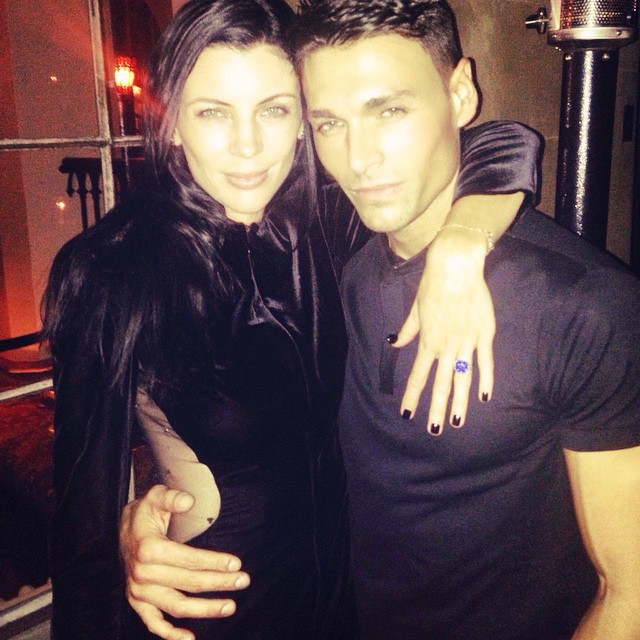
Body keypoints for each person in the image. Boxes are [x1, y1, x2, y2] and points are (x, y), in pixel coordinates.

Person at [43, 0, 540, 638]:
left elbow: (504, 141)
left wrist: (463, 242)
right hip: (214, 612)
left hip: (344, 601)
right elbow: (82, 519)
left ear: (303, 122)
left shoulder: (329, 220)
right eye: (213, 112)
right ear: (171, 123)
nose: (248, 146)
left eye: (274, 110)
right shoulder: (113, 269)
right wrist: (123, 541)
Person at [291, 0, 640, 638]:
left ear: (459, 95)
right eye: (330, 124)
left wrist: (464, 238)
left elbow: (631, 592)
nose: (358, 158)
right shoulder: (342, 264)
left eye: (389, 110)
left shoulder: (584, 308)